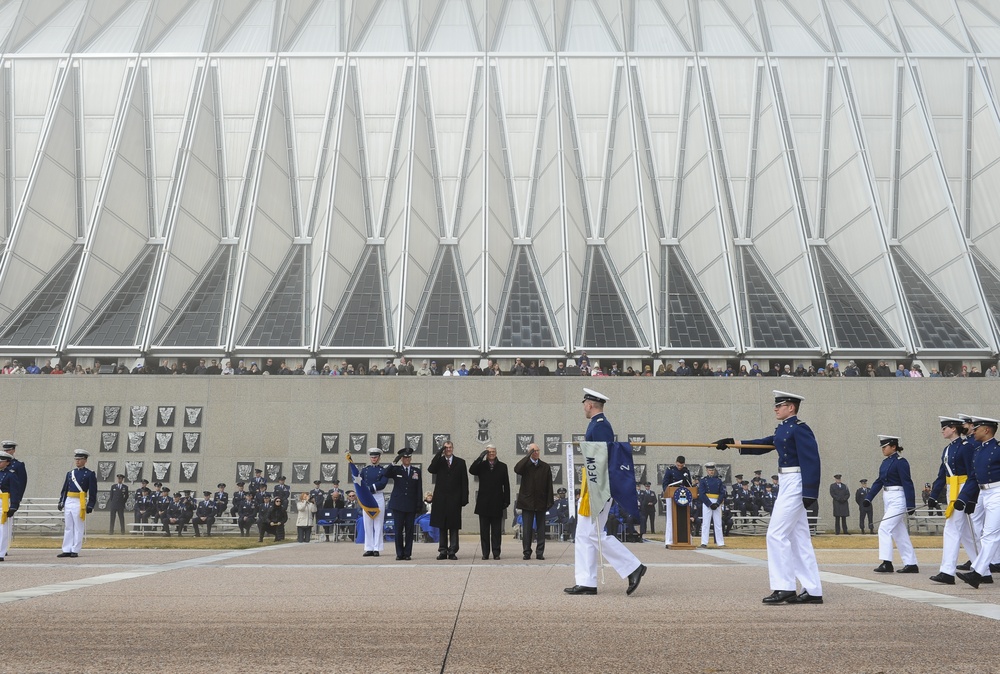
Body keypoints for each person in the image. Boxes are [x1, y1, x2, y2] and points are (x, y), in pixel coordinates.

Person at [713, 390, 823, 604]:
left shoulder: (800, 429)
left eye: (779, 405)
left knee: (775, 533)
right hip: (787, 482)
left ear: (791, 407)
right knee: (799, 539)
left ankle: (785, 587)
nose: (775, 408)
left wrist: (810, 491)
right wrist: (733, 442)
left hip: (796, 482)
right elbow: (764, 444)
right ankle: (813, 590)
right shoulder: (783, 430)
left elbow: (812, 460)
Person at [565, 388, 646, 596]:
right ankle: (586, 581)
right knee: (583, 533)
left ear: (590, 404)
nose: (583, 406)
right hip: (592, 483)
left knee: (593, 533)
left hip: (598, 485)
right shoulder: (596, 424)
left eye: (585, 403)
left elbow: (603, 459)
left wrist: (597, 488)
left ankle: (633, 566)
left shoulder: (600, 426)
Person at [928, 416, 977, 585]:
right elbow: (942, 475)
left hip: (963, 489)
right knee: (965, 534)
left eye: (945, 428)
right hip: (952, 489)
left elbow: (973, 475)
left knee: (951, 529)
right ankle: (982, 570)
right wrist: (933, 495)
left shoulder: (966, 447)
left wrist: (970, 498)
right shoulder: (947, 450)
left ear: (953, 428)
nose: (942, 431)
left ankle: (947, 571)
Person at [955, 415, 1000, 588]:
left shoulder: (997, 449)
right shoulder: (978, 450)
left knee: (990, 534)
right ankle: (981, 572)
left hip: (998, 492)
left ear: (987, 430)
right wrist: (963, 498)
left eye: (977, 428)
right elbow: (973, 478)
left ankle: (978, 573)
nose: (973, 431)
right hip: (984, 493)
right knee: (982, 531)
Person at [863, 436, 918, 574]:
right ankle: (911, 563)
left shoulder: (901, 462)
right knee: (899, 532)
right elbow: (879, 481)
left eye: (885, 446)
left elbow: (907, 482)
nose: (883, 449)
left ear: (893, 447)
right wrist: (868, 498)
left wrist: (910, 503)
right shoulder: (885, 463)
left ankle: (887, 562)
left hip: (898, 497)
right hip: (888, 497)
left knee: (884, 528)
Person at [427, 440, 469, 560]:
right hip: (441, 499)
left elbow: (464, 482)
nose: (448, 449)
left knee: (454, 526)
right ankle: (442, 550)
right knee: (442, 526)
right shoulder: (439, 462)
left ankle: (452, 551)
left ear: (453, 448)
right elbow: (431, 469)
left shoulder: (460, 462)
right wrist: (439, 453)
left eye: (450, 447)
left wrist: (464, 498)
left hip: (455, 499)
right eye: (446, 448)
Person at [469, 443, 510, 560]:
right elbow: (472, 470)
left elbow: (506, 485)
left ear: (496, 453)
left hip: (497, 502)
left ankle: (496, 553)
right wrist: (480, 457)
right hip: (484, 503)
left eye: (493, 452)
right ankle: (485, 553)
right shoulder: (481, 465)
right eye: (489, 452)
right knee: (484, 531)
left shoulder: (502, 466)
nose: (491, 454)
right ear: (486, 454)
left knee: (496, 531)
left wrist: (506, 500)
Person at [513, 443, 552, 560]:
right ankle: (527, 552)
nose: (536, 453)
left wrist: (549, 502)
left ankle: (540, 552)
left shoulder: (545, 467)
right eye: (533, 451)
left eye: (538, 451)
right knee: (527, 529)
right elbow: (517, 469)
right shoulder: (525, 466)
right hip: (527, 502)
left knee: (540, 529)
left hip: (541, 502)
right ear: (529, 452)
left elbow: (549, 485)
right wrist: (527, 457)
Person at [384, 447, 423, 560]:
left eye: (408, 457)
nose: (407, 459)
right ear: (401, 459)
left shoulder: (416, 471)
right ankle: (399, 553)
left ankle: (407, 553)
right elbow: (386, 473)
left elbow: (419, 488)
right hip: (398, 504)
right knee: (398, 530)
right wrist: (393, 462)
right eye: (404, 457)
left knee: (409, 530)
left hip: (411, 504)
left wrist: (419, 504)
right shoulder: (396, 470)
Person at [57, 449, 97, 558]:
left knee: (78, 526)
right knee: (68, 526)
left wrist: (90, 505)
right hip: (69, 500)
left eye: (80, 459)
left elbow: (93, 492)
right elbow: (64, 489)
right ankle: (66, 549)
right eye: (76, 459)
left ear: (85, 460)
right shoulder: (70, 473)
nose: (77, 461)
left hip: (80, 501)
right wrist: (62, 501)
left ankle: (75, 549)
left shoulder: (89, 474)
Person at [356, 448, 389, 557]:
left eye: (375, 457)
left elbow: (383, 483)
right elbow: (360, 481)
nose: (373, 459)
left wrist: (370, 488)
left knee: (378, 523)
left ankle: (377, 548)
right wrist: (364, 491)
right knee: (367, 522)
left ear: (379, 458)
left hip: (378, 496)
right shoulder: (365, 470)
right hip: (367, 497)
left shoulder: (383, 470)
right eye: (372, 457)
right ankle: (368, 547)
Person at [661, 455, 692, 547]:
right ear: (676, 463)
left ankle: (684, 539)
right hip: (671, 495)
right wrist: (666, 492)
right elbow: (665, 483)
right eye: (678, 465)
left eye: (681, 466)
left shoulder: (686, 471)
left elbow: (689, 484)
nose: (680, 467)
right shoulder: (670, 470)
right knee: (670, 518)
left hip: (682, 496)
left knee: (683, 517)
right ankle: (669, 540)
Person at [0, 440, 25, 554]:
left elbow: (20, 485)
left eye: (9, 450)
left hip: (7, 500)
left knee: (5, 527)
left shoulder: (17, 467)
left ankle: (2, 550)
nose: (7, 451)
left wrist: (15, 503)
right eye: (5, 450)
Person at [698, 462, 726, 548]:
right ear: (707, 470)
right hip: (707, 502)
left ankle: (720, 542)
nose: (711, 472)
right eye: (710, 470)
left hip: (717, 501)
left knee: (718, 523)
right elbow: (702, 493)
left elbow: (722, 492)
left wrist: (717, 503)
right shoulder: (703, 480)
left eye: (712, 470)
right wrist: (709, 504)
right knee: (706, 523)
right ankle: (704, 542)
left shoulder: (718, 480)